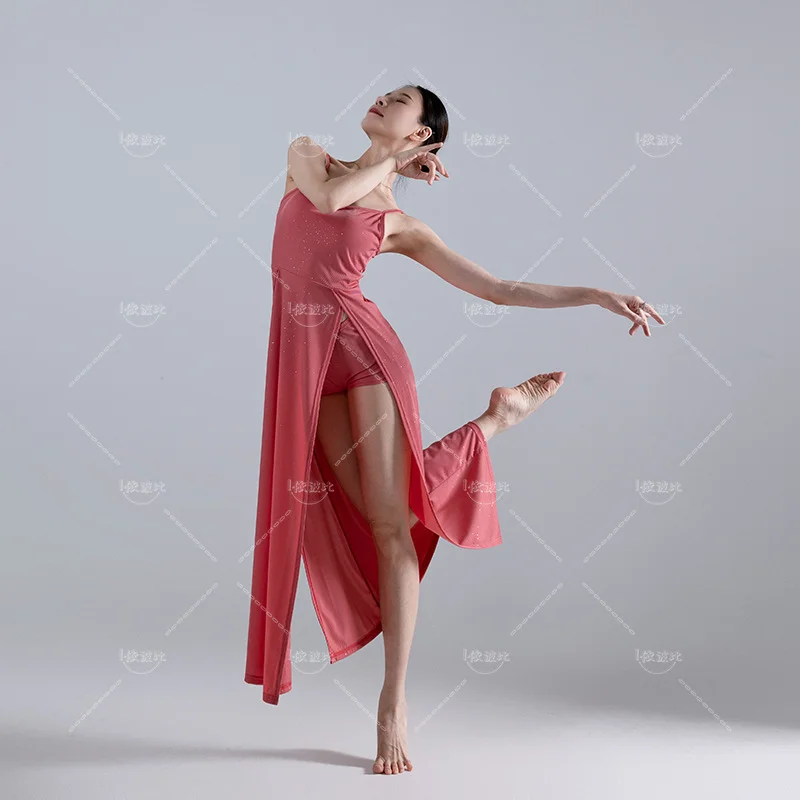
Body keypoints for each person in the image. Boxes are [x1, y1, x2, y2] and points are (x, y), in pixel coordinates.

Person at [245, 84, 664, 777]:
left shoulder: (400, 224)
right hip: (303, 364)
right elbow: (327, 200)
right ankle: (493, 422)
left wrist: (595, 293)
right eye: (387, 92)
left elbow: (500, 289)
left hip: (367, 357)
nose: (383, 99)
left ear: (421, 138)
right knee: (354, 504)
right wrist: (393, 161)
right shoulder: (306, 155)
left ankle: (393, 703)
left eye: (401, 102)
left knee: (388, 525)